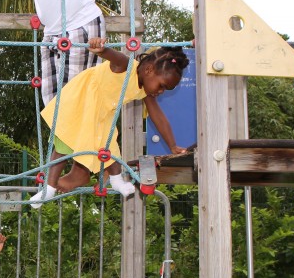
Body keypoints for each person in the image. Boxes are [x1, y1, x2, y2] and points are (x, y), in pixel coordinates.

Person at [33, 37, 189, 206]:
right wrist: (101, 49)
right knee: (65, 138)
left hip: (102, 111)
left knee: (109, 145)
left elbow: (158, 116)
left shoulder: (145, 91)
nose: (161, 91)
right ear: (149, 70)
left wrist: (173, 145)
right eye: (162, 86)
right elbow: (115, 57)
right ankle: (48, 187)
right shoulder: (127, 67)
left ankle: (116, 180)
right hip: (83, 99)